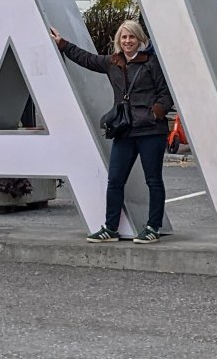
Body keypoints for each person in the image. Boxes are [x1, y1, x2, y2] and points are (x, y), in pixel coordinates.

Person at [50, 21, 175, 244]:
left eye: (132, 37)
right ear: (119, 40)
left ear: (140, 40)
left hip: (150, 131)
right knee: (115, 180)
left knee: (153, 180)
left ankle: (153, 227)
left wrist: (154, 114)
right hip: (124, 129)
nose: (128, 41)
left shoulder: (152, 63)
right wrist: (63, 44)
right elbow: (87, 59)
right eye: (124, 38)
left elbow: (166, 95)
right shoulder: (113, 62)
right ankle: (110, 228)